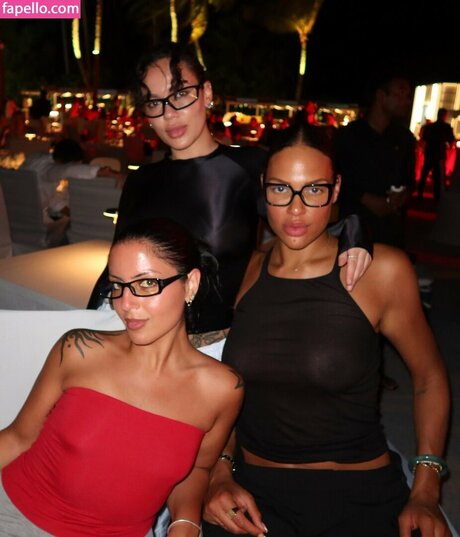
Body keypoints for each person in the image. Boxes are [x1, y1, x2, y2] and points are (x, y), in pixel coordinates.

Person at [202, 123, 451, 537]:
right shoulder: (245, 272)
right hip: (253, 495)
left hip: (354, 493)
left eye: (313, 189)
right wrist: (219, 472)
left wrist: (426, 489)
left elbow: (429, 377)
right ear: (263, 188)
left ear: (335, 190)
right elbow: (226, 389)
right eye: (281, 189)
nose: (296, 209)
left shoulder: (381, 272)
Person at [88, 41, 372, 353]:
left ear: (207, 93)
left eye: (180, 94)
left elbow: (316, 207)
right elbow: (115, 272)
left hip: (215, 349)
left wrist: (356, 234)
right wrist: (91, 326)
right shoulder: (140, 181)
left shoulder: (248, 167)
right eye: (154, 102)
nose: (169, 113)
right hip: (139, 342)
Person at [0, 217, 243, 536]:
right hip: (14, 516)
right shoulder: (79, 350)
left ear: (190, 284)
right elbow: (18, 437)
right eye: (117, 286)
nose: (125, 305)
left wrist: (185, 522)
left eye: (146, 284)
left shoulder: (222, 389)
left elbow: (197, 468)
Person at [335, 74, 416, 249]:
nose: (407, 101)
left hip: (391, 229)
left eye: (408, 95)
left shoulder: (404, 138)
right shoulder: (349, 136)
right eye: (401, 93)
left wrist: (402, 196)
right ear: (381, 96)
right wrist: (365, 198)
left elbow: (409, 179)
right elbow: (336, 175)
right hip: (353, 226)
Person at [21, 138, 125, 220]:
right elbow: (68, 170)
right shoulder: (50, 170)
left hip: (19, 214)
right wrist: (107, 172)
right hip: (33, 218)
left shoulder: (35, 158)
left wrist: (74, 215)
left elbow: (48, 196)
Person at [417, 108, 456, 202]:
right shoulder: (446, 127)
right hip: (439, 154)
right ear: (444, 116)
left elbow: (424, 138)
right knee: (438, 177)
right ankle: (436, 197)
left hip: (430, 152)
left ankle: (420, 194)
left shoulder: (430, 127)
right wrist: (448, 146)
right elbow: (451, 140)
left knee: (424, 174)